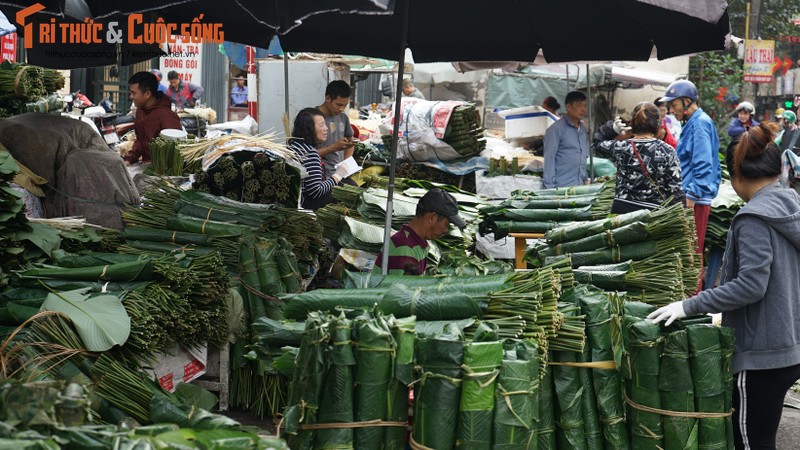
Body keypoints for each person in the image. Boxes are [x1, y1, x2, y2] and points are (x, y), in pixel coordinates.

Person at [648, 122, 800, 450]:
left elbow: (751, 285)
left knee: (750, 441)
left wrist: (690, 304)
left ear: (736, 175)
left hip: (761, 354)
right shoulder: (791, 205)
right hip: (789, 346)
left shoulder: (753, 218)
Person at [660, 80, 720, 280]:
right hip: (689, 198)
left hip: (694, 200)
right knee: (687, 253)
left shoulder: (699, 123)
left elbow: (703, 165)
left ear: (687, 101)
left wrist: (691, 197)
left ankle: (692, 303)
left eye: (674, 105)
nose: (671, 110)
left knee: (690, 255)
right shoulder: (695, 122)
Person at [594, 102, 684, 213]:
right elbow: (674, 190)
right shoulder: (667, 151)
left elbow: (597, 144)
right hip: (653, 215)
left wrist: (611, 129)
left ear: (633, 123)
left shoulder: (621, 147)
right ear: (658, 123)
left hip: (622, 213)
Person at [373, 189, 466, 275]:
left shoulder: (414, 244)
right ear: (432, 218)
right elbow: (401, 291)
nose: (446, 230)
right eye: (446, 224)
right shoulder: (405, 249)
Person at [289, 108, 350, 210]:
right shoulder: (310, 153)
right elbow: (316, 191)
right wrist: (337, 176)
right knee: (343, 196)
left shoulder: (292, 145)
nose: (326, 128)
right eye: (321, 125)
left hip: (293, 201)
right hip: (305, 205)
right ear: (309, 129)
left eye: (325, 124)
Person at [123, 72, 181, 165]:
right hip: (146, 167)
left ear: (147, 94)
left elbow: (175, 151)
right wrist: (129, 159)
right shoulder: (140, 111)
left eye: (134, 93)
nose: (131, 97)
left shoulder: (167, 117)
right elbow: (140, 140)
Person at [543, 91, 590, 188]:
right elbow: (549, 160)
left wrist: (585, 179)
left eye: (585, 106)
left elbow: (583, 158)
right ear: (568, 107)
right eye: (579, 105)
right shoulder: (555, 129)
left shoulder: (583, 130)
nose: (583, 109)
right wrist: (550, 188)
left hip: (580, 187)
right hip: (561, 188)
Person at [317, 80, 355, 179]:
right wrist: (334, 147)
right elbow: (306, 154)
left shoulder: (343, 118)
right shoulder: (312, 118)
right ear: (328, 98)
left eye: (345, 105)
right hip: (322, 176)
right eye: (338, 105)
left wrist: (346, 164)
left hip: (340, 175)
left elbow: (350, 143)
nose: (342, 109)